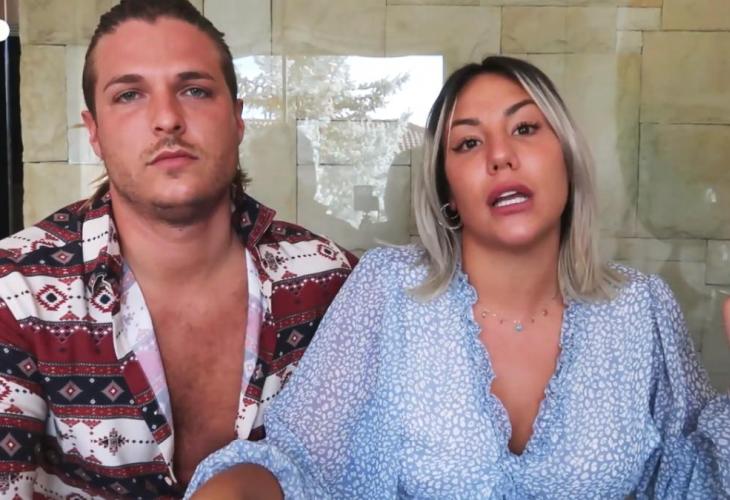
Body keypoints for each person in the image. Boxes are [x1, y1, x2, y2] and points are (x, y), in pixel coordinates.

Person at [185, 56, 730, 499]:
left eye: (525, 128)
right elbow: (299, 462)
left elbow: (694, 477)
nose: (501, 156)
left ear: (566, 159)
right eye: (469, 143)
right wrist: (232, 491)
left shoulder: (640, 308)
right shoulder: (388, 289)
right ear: (447, 192)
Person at [0, 1, 356, 498]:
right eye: (129, 94)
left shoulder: (330, 280)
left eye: (194, 90)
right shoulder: (17, 288)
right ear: (95, 132)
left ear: (237, 119)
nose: (167, 118)